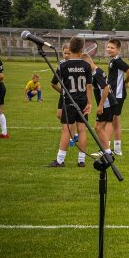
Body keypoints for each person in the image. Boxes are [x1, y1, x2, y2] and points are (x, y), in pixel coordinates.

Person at [49, 37, 92, 167]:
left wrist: (63, 92)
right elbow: (89, 86)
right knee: (82, 130)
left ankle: (60, 160)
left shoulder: (63, 65)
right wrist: (90, 103)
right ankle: (81, 160)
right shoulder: (86, 65)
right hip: (83, 101)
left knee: (66, 131)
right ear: (82, 49)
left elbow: (53, 83)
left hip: (68, 102)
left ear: (70, 48)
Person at [83, 54, 115, 156]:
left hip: (107, 103)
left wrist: (101, 105)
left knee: (98, 127)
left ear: (88, 63)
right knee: (100, 127)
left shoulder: (97, 73)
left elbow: (105, 88)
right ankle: (105, 150)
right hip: (108, 102)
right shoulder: (95, 72)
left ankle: (107, 151)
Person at [107, 39, 129, 156]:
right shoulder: (112, 61)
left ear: (118, 50)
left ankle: (107, 150)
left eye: (112, 48)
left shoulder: (117, 61)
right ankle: (117, 149)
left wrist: (125, 82)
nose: (109, 49)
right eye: (108, 47)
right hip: (115, 94)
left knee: (110, 121)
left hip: (117, 95)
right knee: (115, 121)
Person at [53, 44, 72, 121]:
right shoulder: (61, 64)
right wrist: (62, 92)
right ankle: (72, 132)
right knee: (59, 115)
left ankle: (73, 132)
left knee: (70, 117)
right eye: (65, 53)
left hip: (74, 94)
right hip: (64, 94)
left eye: (69, 53)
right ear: (62, 53)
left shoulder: (76, 64)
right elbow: (54, 82)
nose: (67, 55)